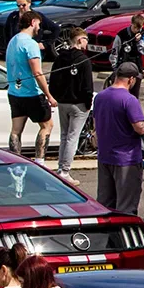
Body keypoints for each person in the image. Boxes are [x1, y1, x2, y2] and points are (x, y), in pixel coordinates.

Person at [91, 62, 144, 214]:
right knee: (126, 206)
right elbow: (139, 127)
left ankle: (107, 236)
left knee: (106, 204)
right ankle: (124, 237)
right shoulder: (129, 100)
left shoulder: (100, 97)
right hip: (126, 159)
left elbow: (96, 125)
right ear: (131, 79)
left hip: (105, 157)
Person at [6, 11, 57, 161]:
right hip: (32, 93)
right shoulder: (31, 44)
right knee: (47, 126)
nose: (39, 28)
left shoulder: (13, 41)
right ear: (33, 22)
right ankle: (40, 161)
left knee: (16, 130)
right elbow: (37, 72)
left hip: (14, 92)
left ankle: (15, 161)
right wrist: (49, 95)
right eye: (39, 25)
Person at [50, 26, 94, 184]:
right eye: (86, 40)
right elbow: (88, 86)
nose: (86, 43)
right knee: (72, 137)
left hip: (63, 102)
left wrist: (56, 96)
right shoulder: (84, 60)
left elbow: (53, 81)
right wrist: (88, 103)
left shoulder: (60, 58)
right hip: (78, 103)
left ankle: (60, 167)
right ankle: (65, 170)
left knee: (64, 136)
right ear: (80, 40)